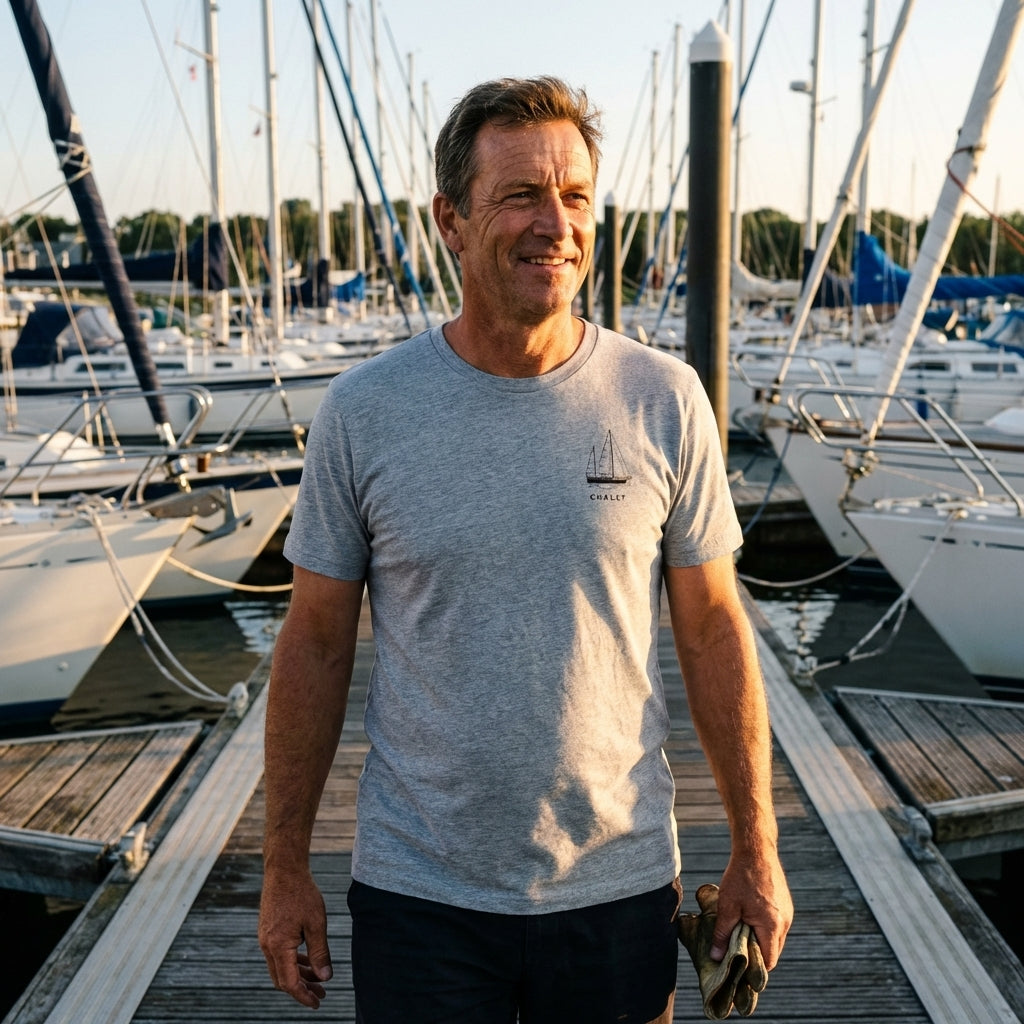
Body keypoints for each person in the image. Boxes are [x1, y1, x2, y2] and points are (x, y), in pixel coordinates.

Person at [258, 75, 792, 1023]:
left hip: (617, 884)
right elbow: (316, 643)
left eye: (576, 196)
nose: (557, 223)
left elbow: (713, 631)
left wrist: (758, 847)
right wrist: (284, 867)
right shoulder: (366, 412)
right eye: (519, 196)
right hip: (420, 889)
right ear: (451, 221)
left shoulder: (664, 400)